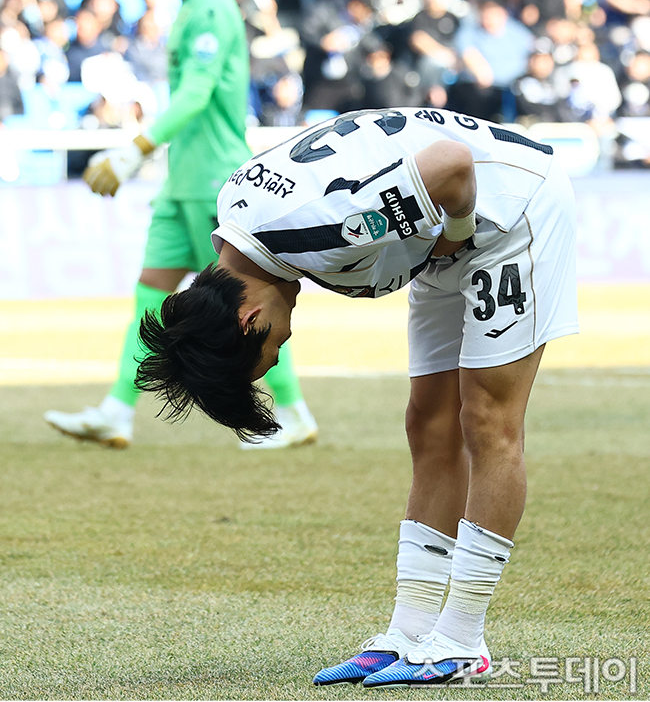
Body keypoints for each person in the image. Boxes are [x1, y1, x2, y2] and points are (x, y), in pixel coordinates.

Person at [135, 106, 578, 685]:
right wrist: (446, 236)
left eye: (268, 356)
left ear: (247, 320)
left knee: (488, 421)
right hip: (447, 222)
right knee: (429, 424)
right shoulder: (239, 213)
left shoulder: (327, 228)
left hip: (508, 209)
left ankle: (462, 638)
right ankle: (410, 632)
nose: (278, 353)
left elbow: (452, 165)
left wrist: (456, 234)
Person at [44, 0, 317, 451]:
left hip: (215, 183)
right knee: (149, 301)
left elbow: (196, 93)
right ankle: (117, 410)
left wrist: (135, 150)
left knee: (242, 303)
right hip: (181, 184)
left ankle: (292, 412)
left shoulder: (212, 6)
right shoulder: (193, 7)